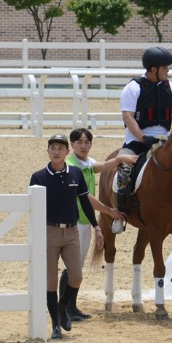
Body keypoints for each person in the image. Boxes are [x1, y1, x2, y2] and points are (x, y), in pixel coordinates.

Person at [58, 128, 138, 321]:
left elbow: (103, 166)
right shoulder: (71, 166)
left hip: (84, 221)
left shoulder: (86, 162)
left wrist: (120, 160)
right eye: (79, 142)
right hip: (73, 220)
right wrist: (109, 211)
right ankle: (64, 308)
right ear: (72, 145)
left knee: (77, 267)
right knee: (72, 266)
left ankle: (71, 306)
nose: (83, 146)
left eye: (87, 142)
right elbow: (86, 197)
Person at [29, 134, 104, 339]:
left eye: (60, 148)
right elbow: (33, 209)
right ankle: (55, 324)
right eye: (52, 147)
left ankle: (63, 307)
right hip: (49, 231)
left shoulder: (76, 174)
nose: (56, 151)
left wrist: (96, 226)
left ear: (67, 152)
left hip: (71, 232)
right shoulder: (39, 177)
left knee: (76, 276)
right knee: (51, 281)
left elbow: (85, 202)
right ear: (48, 151)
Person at [112, 46, 172, 233]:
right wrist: (143, 138)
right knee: (124, 173)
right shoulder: (133, 88)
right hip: (137, 142)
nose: (168, 72)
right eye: (165, 68)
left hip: (165, 141)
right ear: (154, 69)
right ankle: (120, 214)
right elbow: (128, 117)